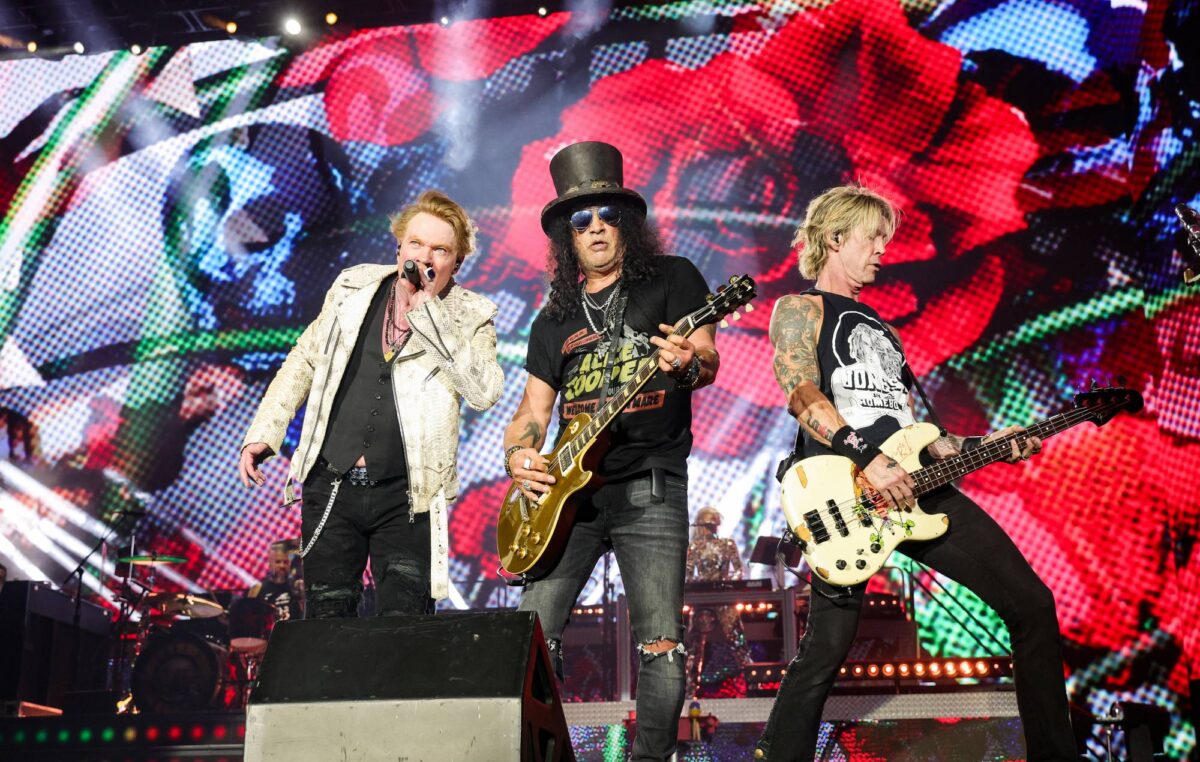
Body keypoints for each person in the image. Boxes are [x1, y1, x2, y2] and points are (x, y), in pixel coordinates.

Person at [754, 185, 1077, 761]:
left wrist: (988, 444)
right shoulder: (803, 309)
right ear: (834, 239)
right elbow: (801, 394)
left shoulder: (883, 329)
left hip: (915, 487)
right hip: (844, 493)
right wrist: (867, 459)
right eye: (872, 239)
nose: (882, 251)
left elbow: (921, 436)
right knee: (826, 647)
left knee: (1031, 603)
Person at [503, 141, 720, 762]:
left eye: (607, 215)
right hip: (569, 499)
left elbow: (706, 358)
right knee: (529, 636)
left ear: (626, 224)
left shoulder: (672, 279)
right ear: (565, 237)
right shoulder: (553, 321)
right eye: (581, 220)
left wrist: (685, 362)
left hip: (649, 483)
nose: (595, 227)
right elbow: (531, 414)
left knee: (660, 644)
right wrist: (519, 457)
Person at [238, 190, 503, 618]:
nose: (425, 255)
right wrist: (264, 431)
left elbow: (484, 391)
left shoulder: (472, 315)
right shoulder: (352, 287)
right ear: (399, 247)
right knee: (328, 619)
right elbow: (304, 359)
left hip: (409, 497)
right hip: (331, 484)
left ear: (458, 262)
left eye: (440, 249)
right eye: (416, 243)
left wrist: (430, 315)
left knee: (403, 626)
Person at [685, 506, 750, 698]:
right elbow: (688, 575)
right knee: (694, 647)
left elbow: (739, 570)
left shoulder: (727, 544)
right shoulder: (694, 547)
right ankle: (690, 692)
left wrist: (727, 582)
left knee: (738, 642)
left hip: (723, 598)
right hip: (702, 600)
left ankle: (749, 686)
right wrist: (700, 582)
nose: (710, 529)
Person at [247, 542, 303, 622]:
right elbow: (248, 616)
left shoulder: (295, 587)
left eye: (285, 562)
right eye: (278, 562)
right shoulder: (257, 588)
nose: (282, 566)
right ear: (270, 564)